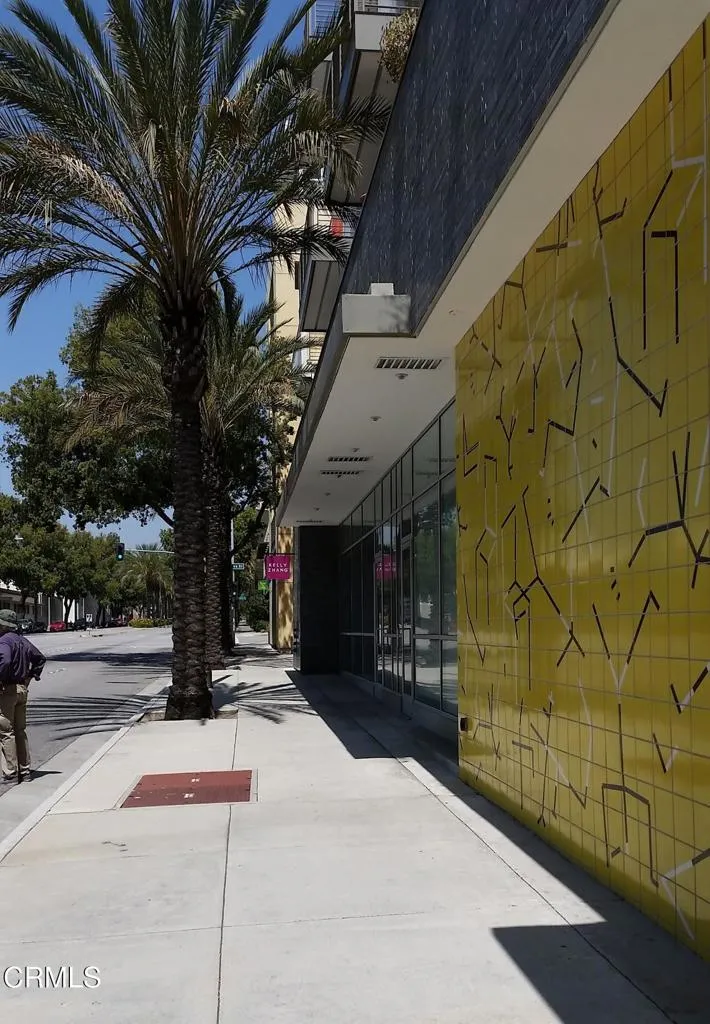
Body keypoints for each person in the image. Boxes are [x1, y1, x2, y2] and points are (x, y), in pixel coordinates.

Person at [0, 609, 46, 788]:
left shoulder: (4, 641)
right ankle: (25, 771)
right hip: (21, 689)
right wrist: (30, 676)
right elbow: (40, 658)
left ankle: (11, 772)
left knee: (6, 732)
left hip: (8, 690)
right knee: (20, 730)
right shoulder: (22, 640)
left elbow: (5, 661)